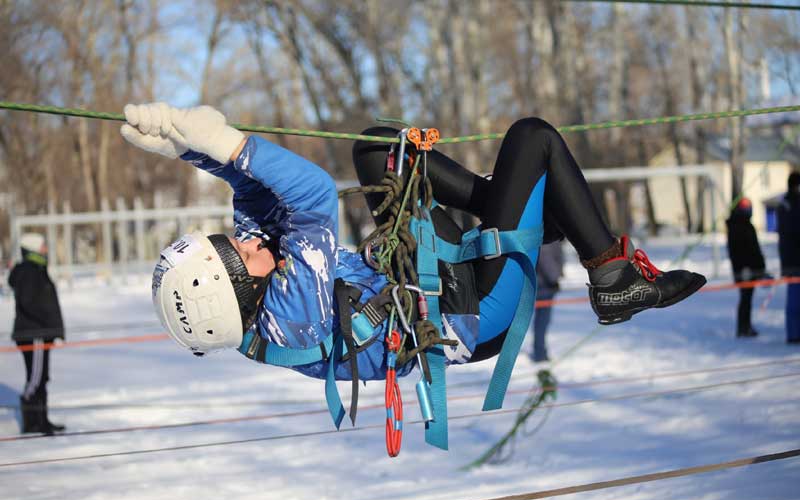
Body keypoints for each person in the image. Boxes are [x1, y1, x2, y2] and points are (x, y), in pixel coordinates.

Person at [120, 103, 706, 383]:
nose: (248, 242)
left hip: (426, 277)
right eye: (240, 252)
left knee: (378, 149)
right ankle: (612, 278)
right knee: (534, 138)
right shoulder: (289, 316)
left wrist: (189, 148)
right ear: (241, 290)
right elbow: (314, 199)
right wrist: (235, 146)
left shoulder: (258, 287)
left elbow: (254, 206)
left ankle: (521, 206)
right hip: (474, 311)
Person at [8, 233, 66, 434]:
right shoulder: (28, 271)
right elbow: (33, 303)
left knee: (41, 377)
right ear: (33, 248)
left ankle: (42, 420)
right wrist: (49, 324)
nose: (45, 250)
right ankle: (32, 421)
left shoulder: (37, 269)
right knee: (35, 378)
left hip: (41, 332)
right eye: (42, 247)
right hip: (35, 333)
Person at [725, 198, 769, 338]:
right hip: (744, 271)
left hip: (752, 269)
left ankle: (746, 326)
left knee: (747, 299)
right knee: (745, 299)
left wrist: (760, 267)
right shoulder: (737, 226)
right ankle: (743, 328)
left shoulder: (746, 225)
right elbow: (737, 252)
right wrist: (743, 268)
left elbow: (754, 249)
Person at [529, 242, 564, 362]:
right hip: (544, 284)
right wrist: (553, 279)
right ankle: (539, 353)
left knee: (542, 320)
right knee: (542, 321)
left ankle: (540, 351)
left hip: (542, 282)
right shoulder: (548, 234)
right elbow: (545, 257)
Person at [777, 171, 800, 343]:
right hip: (793, 259)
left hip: (789, 258)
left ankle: (793, 333)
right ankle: (793, 334)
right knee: (794, 299)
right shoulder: (789, 205)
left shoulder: (786, 204)